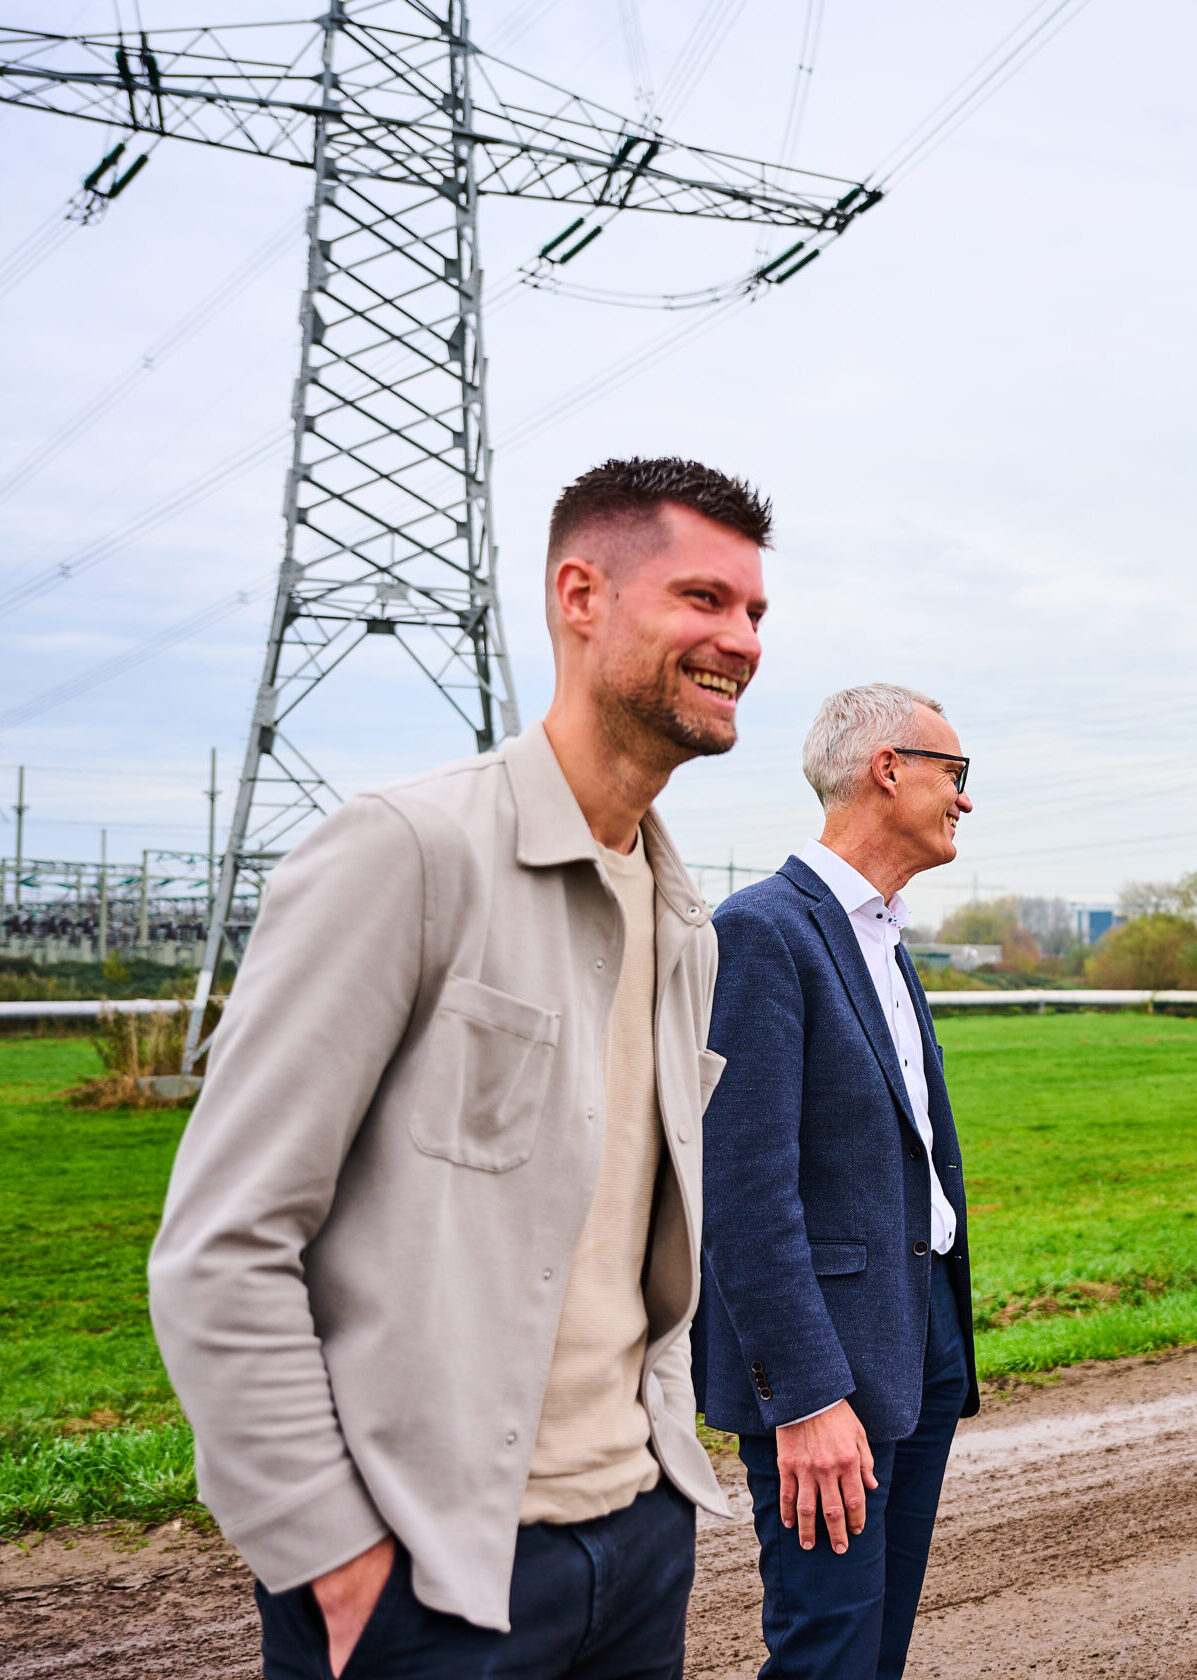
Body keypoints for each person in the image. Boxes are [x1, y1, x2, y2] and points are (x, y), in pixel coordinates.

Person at [149, 458, 772, 1677]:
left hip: (639, 1544)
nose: (740, 640)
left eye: (755, 614)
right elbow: (221, 1246)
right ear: (580, 595)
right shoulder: (408, 853)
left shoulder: (684, 917)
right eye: (704, 598)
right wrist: (330, 1552)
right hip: (426, 1580)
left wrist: (659, 1490)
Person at [695, 682, 981, 1680]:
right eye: (957, 773)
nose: (966, 801)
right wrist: (807, 1400)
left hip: (922, 1335)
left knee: (878, 1645)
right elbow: (741, 1197)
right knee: (829, 1654)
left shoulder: (883, 933)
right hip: (828, 1367)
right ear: (888, 769)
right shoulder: (763, 932)